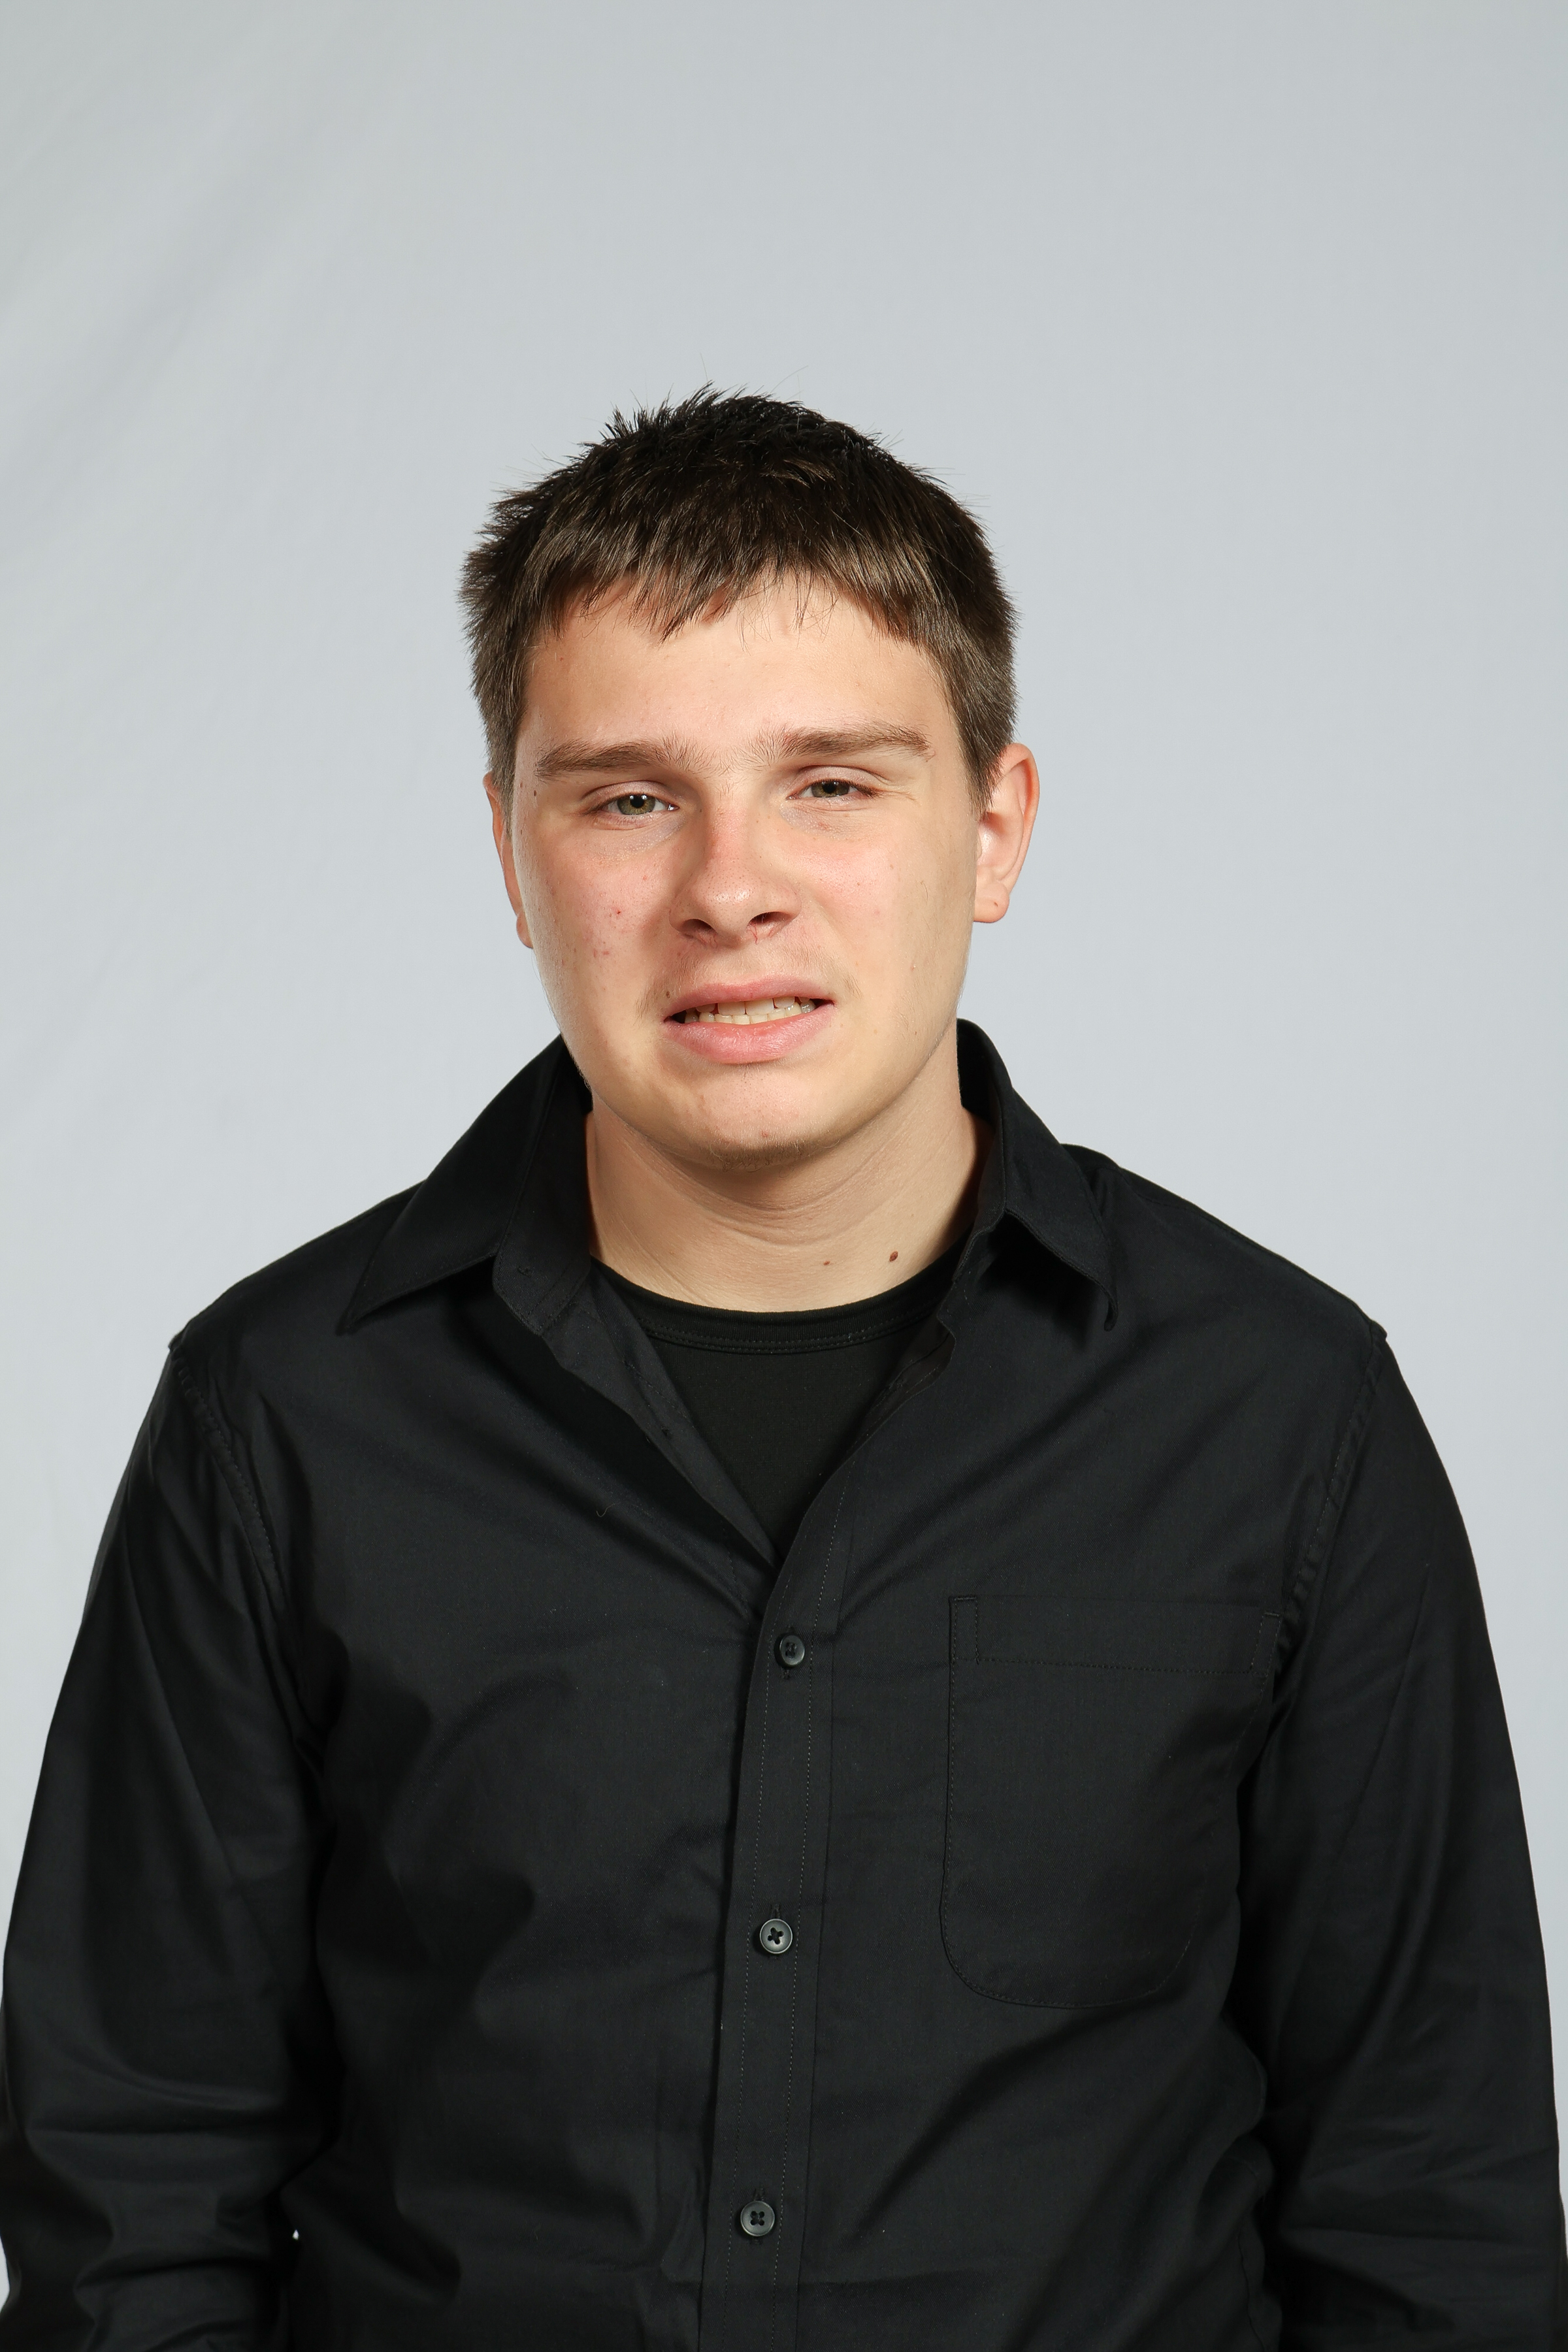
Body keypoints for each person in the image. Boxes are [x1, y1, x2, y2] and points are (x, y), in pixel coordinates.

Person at [0, 391, 1561, 2349]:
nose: (729, 887)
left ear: (993, 828)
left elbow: (1434, 2204)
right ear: (512, 853)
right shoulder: (281, 1416)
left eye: (831, 783)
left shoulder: (1281, 1416)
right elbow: (131, 2189)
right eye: (628, 799)